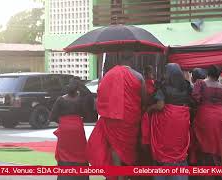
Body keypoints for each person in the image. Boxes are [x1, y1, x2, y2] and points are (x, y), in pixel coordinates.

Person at [86, 51, 146, 180]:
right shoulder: (138, 76)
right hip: (131, 118)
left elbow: (100, 94)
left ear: (120, 59)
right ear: (132, 60)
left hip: (113, 118)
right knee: (128, 148)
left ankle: (117, 175)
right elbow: (143, 98)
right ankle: (124, 175)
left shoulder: (109, 74)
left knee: (115, 147)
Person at [148, 63, 191, 180]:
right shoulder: (186, 86)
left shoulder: (163, 87)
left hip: (167, 121)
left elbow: (160, 105)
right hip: (182, 120)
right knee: (178, 148)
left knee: (165, 148)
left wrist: (150, 109)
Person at [190, 65, 222, 180]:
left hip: (205, 116)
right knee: (216, 146)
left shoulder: (200, 83)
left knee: (204, 146)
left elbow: (195, 98)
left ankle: (207, 175)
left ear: (208, 72)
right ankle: (218, 173)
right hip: (220, 116)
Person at [50, 78, 89, 180]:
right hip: (78, 128)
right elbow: (86, 114)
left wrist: (63, 123)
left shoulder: (60, 100)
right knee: (80, 152)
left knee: (64, 153)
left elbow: (53, 116)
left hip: (64, 129)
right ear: (77, 89)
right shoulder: (81, 99)